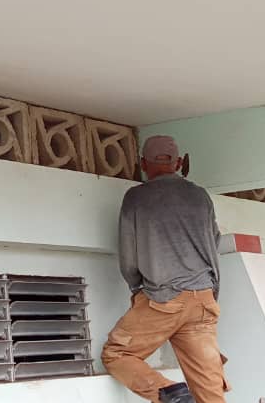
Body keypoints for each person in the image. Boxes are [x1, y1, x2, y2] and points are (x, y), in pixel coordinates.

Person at [101, 135, 227, 403]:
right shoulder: (200, 195)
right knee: (209, 391)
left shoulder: (137, 197)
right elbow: (214, 240)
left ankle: (171, 394)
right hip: (204, 300)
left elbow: (129, 252)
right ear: (179, 162)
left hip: (163, 298)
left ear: (143, 164)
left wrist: (137, 288)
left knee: (117, 354)